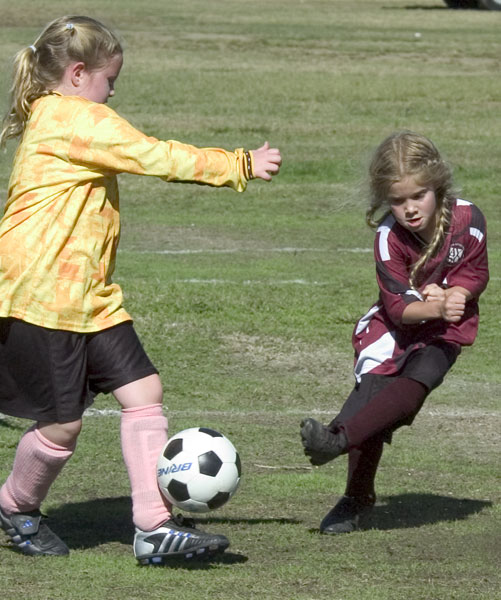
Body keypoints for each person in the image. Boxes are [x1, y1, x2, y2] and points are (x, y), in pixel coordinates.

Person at [0, 15, 281, 563]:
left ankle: (153, 526)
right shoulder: (74, 118)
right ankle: (15, 504)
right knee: (61, 426)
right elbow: (155, 155)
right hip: (42, 296)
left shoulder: (62, 113)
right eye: (110, 80)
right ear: (77, 74)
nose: (112, 92)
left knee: (143, 391)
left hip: (89, 296)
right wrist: (238, 164)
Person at [300, 131, 488, 535]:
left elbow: (476, 273)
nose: (410, 209)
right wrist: (435, 305)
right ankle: (356, 495)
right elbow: (401, 309)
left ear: (437, 185)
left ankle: (336, 440)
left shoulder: (469, 220)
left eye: (419, 195)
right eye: (398, 201)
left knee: (417, 383)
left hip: (444, 331)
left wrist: (458, 293)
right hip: (392, 326)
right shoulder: (388, 238)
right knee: (373, 397)